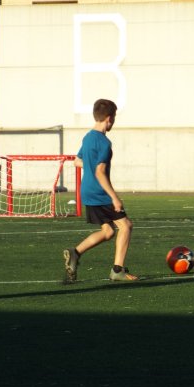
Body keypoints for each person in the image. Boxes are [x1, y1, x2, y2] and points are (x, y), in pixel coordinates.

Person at [63, 99, 139, 283]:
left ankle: (75, 252)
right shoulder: (104, 143)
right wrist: (114, 198)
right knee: (126, 226)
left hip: (86, 192)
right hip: (100, 192)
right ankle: (117, 270)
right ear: (109, 118)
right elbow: (99, 171)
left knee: (108, 231)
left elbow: (77, 161)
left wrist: (91, 167)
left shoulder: (88, 137)